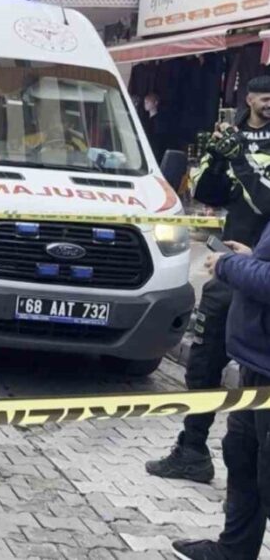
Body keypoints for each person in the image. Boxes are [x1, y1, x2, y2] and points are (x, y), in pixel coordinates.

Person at [147, 76, 270, 484]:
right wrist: (218, 159)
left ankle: (254, 471)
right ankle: (192, 449)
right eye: (264, 96)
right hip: (227, 267)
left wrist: (239, 162)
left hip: (263, 273)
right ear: (249, 97)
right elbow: (206, 193)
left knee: (258, 372)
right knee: (203, 360)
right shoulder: (232, 133)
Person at [171, 228, 270, 560]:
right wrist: (252, 257)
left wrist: (228, 265)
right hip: (256, 366)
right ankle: (234, 552)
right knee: (242, 456)